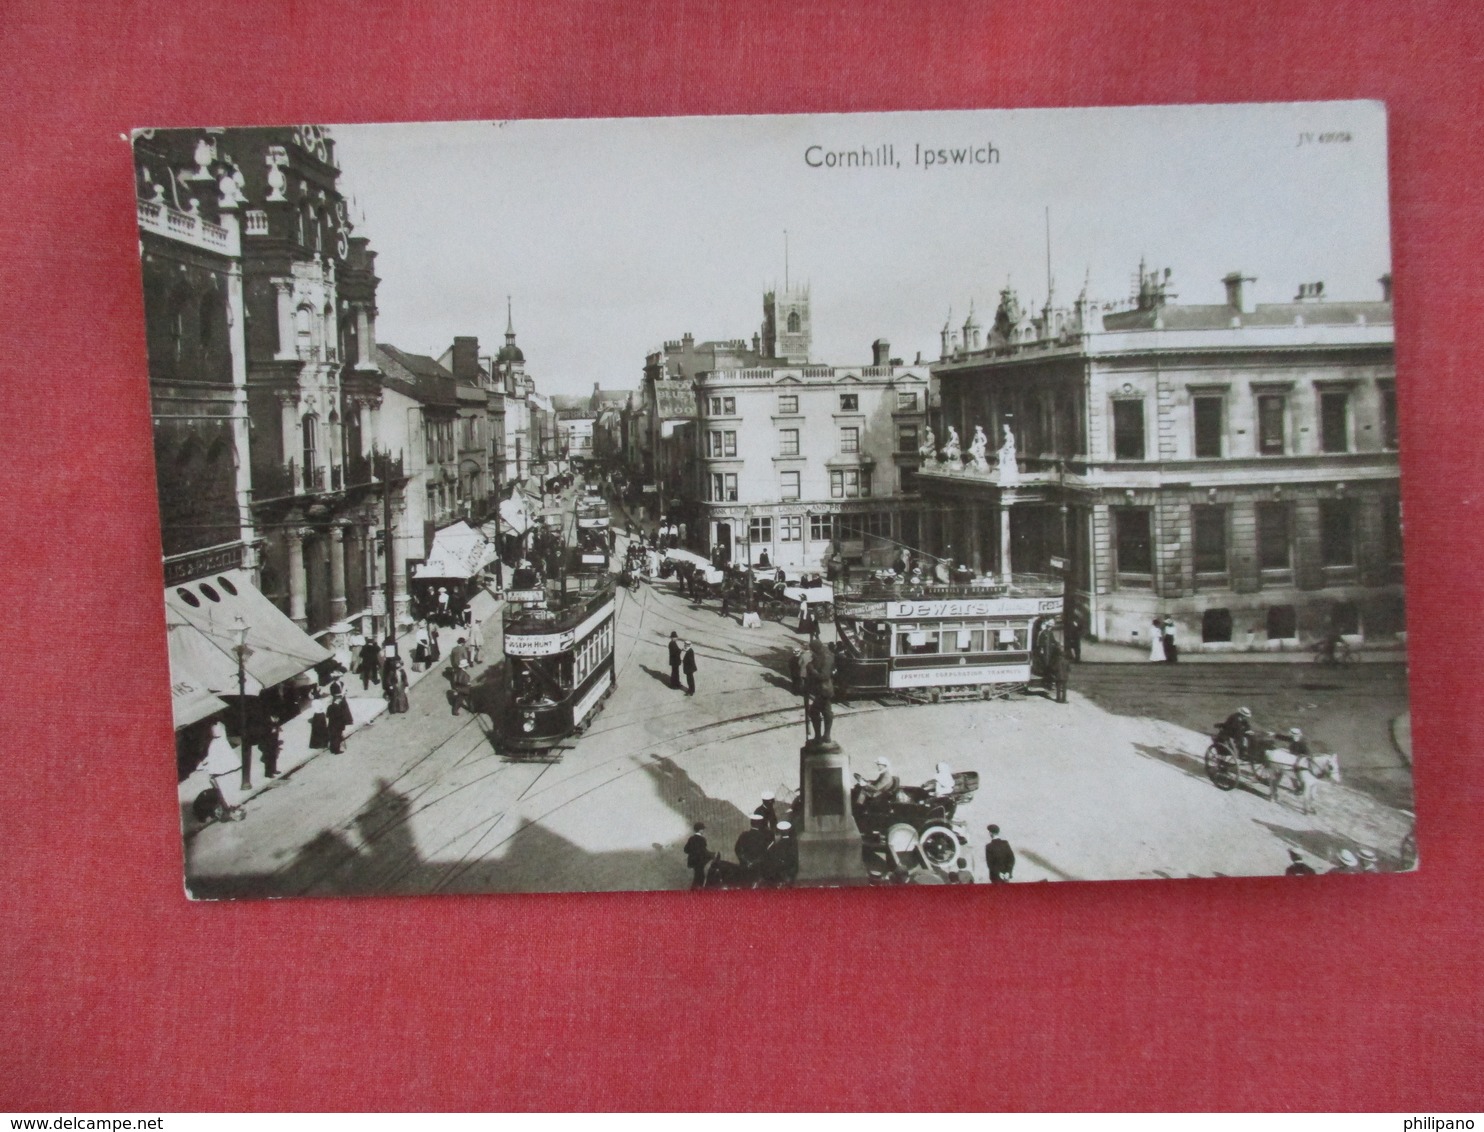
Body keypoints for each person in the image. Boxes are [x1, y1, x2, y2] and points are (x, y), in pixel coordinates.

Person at [683, 822, 711, 889]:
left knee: (697, 876)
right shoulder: (702, 839)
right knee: (700, 877)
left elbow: (686, 850)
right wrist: (712, 854)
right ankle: (696, 893)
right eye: (703, 829)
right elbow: (703, 851)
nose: (703, 831)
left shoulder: (691, 838)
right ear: (700, 830)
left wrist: (693, 853)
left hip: (693, 862)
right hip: (700, 861)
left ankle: (695, 891)